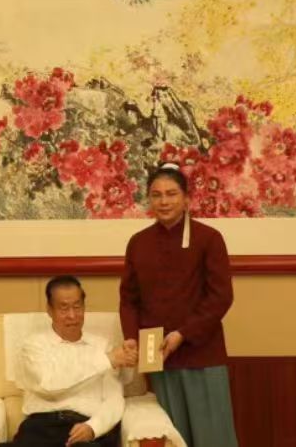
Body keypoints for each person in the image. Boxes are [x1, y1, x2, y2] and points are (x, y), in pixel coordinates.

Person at [119, 163, 239, 447]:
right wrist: (131, 337)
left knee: (212, 437)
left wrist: (183, 334)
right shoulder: (138, 243)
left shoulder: (209, 238)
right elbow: (129, 298)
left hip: (202, 354)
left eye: (171, 194)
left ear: (186, 199)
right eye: (156, 195)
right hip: (159, 356)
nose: (164, 202)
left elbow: (221, 297)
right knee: (173, 437)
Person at [0, 275, 137, 447]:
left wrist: (93, 427)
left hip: (83, 430)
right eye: (63, 308)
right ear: (49, 310)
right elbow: (49, 385)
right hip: (40, 430)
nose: (72, 315)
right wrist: (106, 360)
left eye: (77, 307)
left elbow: (114, 400)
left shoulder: (103, 346)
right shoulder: (34, 345)